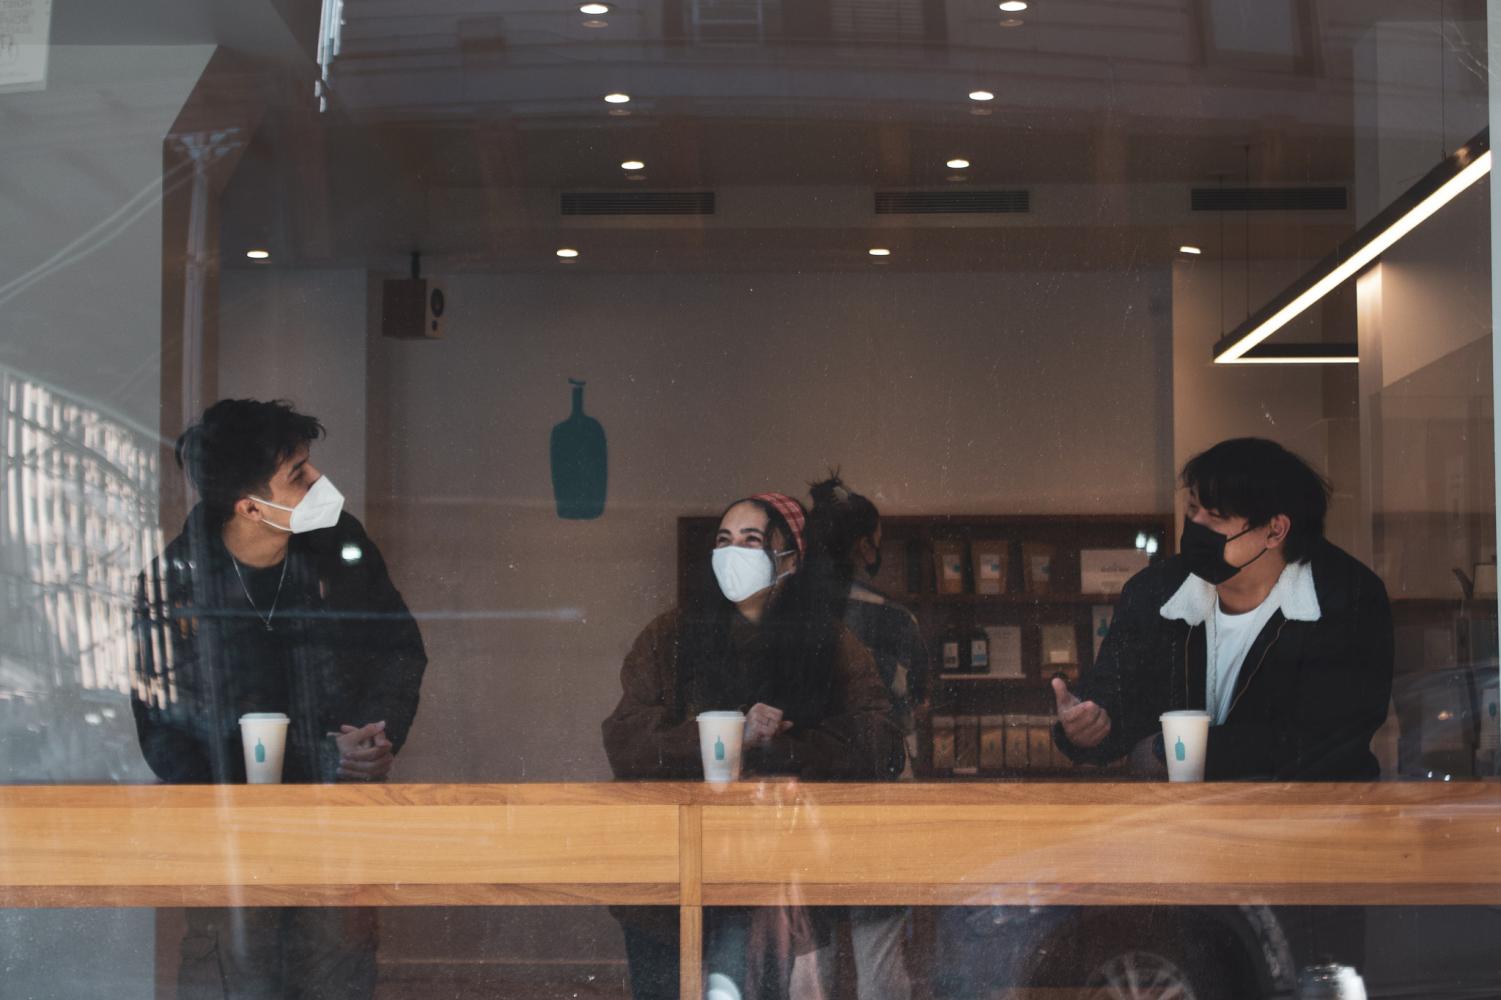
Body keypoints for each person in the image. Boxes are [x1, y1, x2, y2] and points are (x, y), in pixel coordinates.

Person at [132, 399, 427, 1000]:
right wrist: (311, 763)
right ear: (247, 505)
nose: (319, 482)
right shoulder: (176, 585)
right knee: (235, 978)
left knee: (337, 972)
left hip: (335, 827)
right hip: (230, 843)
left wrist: (374, 739)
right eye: (298, 473)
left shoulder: (340, 547)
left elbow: (398, 649)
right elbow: (168, 736)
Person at [602, 492, 904, 1000]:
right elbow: (627, 739)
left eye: (751, 540)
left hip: (773, 873)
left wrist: (786, 747)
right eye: (723, 540)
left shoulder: (828, 642)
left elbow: (881, 741)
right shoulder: (668, 636)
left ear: (790, 559)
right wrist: (727, 738)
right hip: (670, 866)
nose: (732, 552)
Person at [1053, 436, 1394, 780]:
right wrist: (1085, 728)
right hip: (1178, 821)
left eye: (1215, 516)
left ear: (1275, 530)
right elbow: (1117, 701)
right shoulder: (1154, 592)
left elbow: (1327, 739)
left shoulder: (1347, 597)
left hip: (1307, 819)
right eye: (1192, 510)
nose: (1196, 526)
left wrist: (1171, 752)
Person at [793, 475, 927, 1000]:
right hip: (880, 799)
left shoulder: (782, 614)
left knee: (808, 957)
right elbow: (914, 707)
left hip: (803, 800)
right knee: (881, 953)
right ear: (864, 544)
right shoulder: (892, 617)